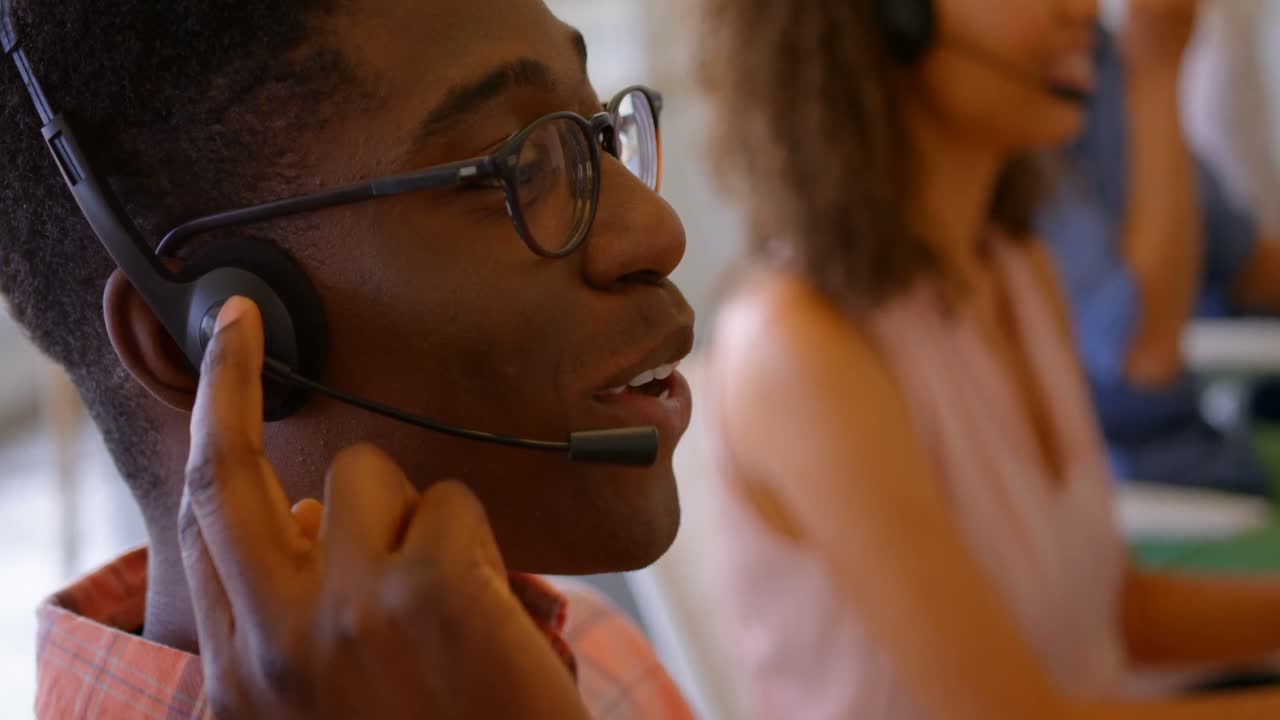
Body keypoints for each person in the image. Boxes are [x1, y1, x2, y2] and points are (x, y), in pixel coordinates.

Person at [0, 0, 694, 717]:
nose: (657, 231)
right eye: (512, 169)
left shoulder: (595, 655)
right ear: (199, 338)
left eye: (596, 135)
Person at [701, 0, 1280, 717]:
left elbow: (1117, 613)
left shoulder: (1017, 268)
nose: (1082, 9)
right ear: (891, 17)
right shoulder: (799, 348)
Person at [1038, 0, 1280, 496]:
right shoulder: (1010, 121)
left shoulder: (1100, 61)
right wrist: (1157, 76)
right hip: (1141, 484)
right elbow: (1140, 354)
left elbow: (1247, 268)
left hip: (1209, 457)